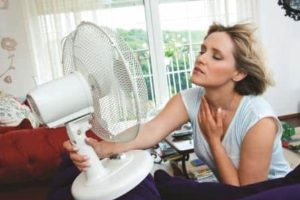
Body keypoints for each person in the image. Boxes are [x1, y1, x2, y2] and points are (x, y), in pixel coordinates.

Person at [64, 22, 291, 187]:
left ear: (239, 72)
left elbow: (247, 195)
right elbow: (151, 130)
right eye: (203, 51)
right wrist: (103, 147)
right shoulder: (191, 98)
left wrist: (214, 141)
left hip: (274, 198)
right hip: (230, 192)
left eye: (216, 56)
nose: (200, 58)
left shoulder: (258, 120)